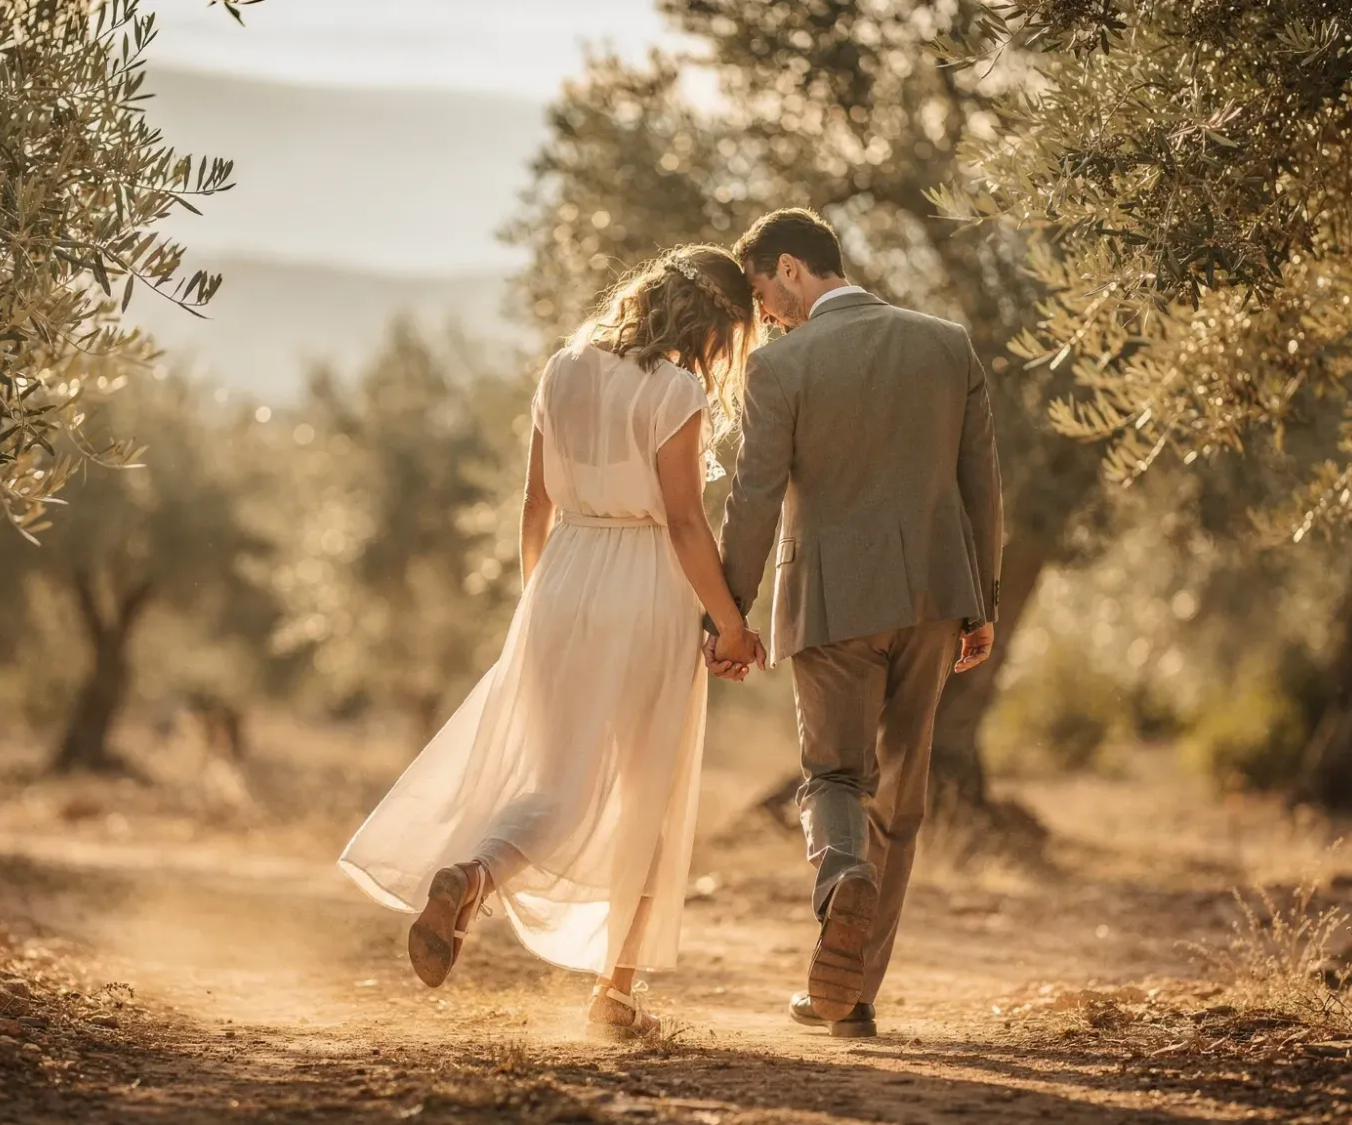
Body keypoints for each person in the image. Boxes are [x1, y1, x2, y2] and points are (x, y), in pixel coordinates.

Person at [338, 244, 762, 1040]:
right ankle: (617, 990)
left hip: (563, 577)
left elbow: (533, 503)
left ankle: (475, 872)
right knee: (649, 787)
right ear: (714, 324)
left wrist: (537, 602)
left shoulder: (563, 370)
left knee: (555, 775)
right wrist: (730, 622)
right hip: (646, 591)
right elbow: (681, 521)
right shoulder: (676, 391)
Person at [707, 208, 1004, 1039]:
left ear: (794, 268)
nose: (765, 315)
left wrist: (727, 613)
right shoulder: (948, 346)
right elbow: (983, 485)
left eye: (765, 293)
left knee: (835, 776)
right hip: (935, 602)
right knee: (901, 798)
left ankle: (842, 879)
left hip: (832, 603)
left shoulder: (784, 367)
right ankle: (855, 994)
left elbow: (754, 499)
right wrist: (983, 600)